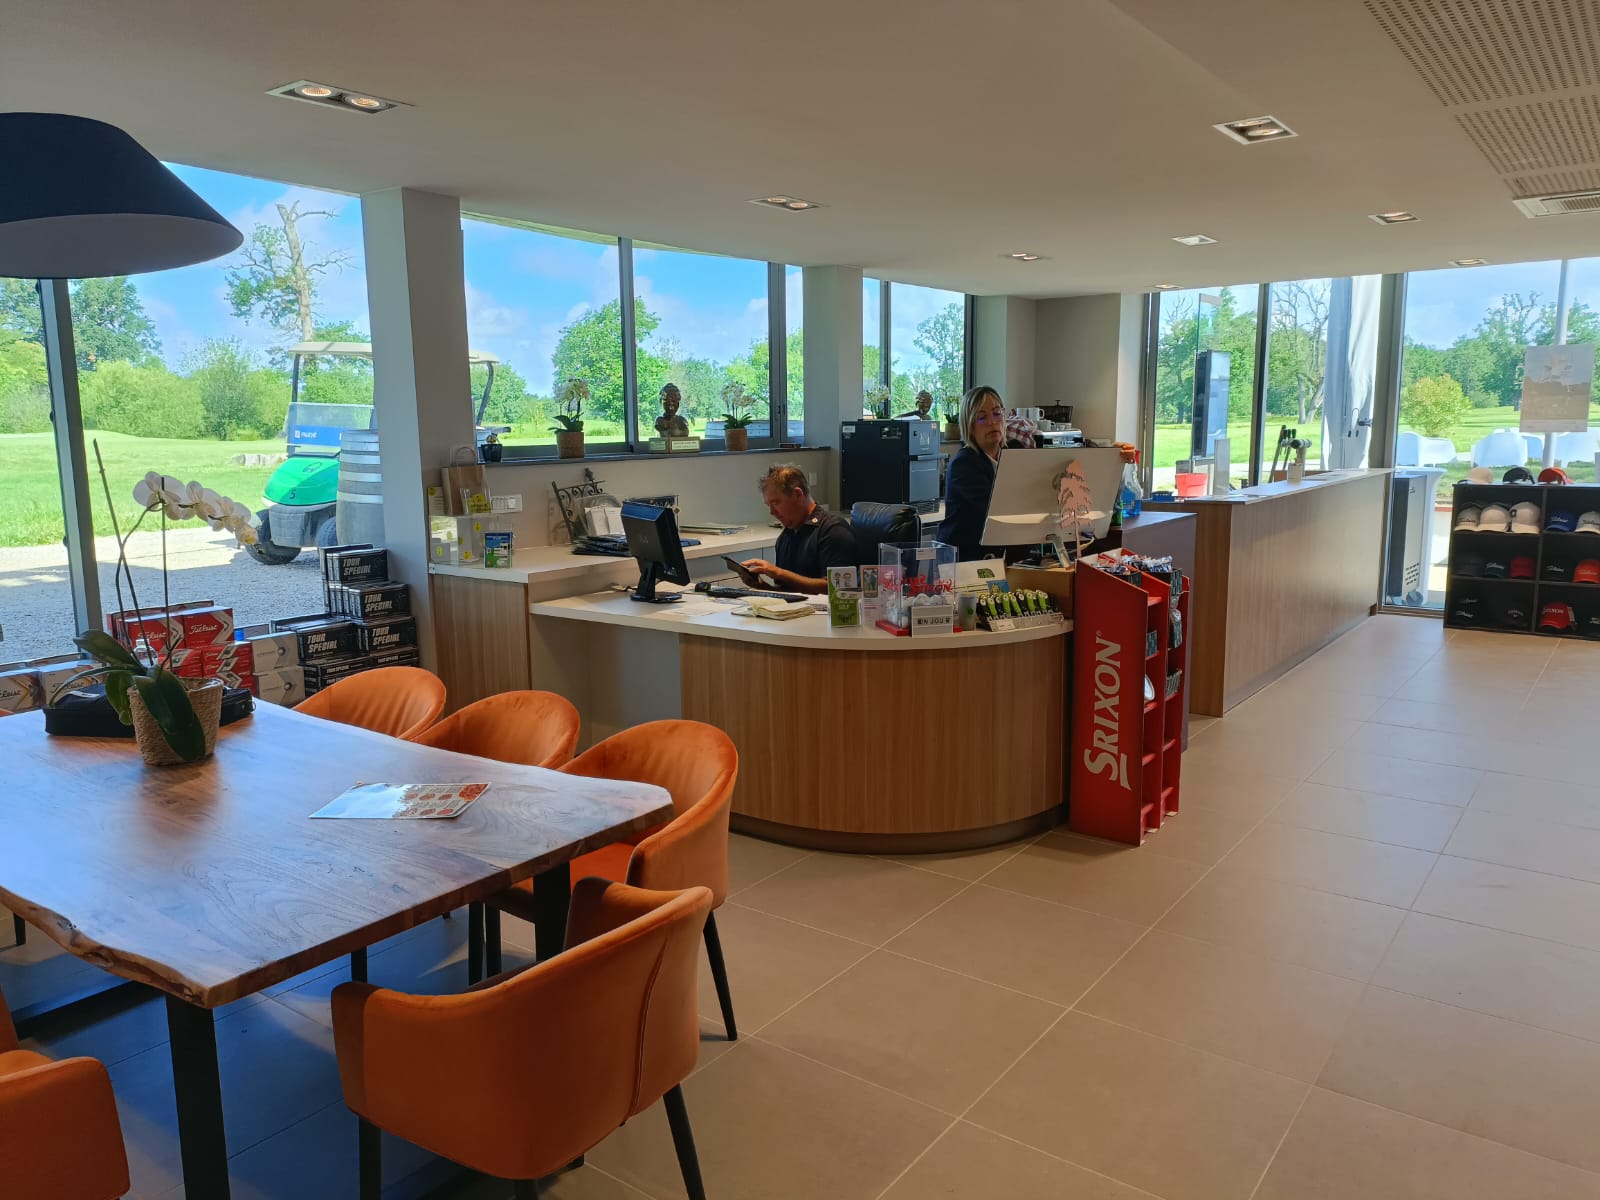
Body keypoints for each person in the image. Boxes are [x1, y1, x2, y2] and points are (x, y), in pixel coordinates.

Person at [738, 464, 858, 594]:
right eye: (769, 505)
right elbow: (788, 591)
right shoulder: (786, 536)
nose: (772, 512)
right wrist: (765, 588)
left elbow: (837, 589)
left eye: (776, 503)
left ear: (798, 494)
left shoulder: (834, 531)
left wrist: (779, 573)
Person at [936, 385, 1007, 561]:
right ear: (969, 426)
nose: (992, 422)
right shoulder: (964, 464)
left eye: (997, 413)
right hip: (963, 560)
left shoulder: (1012, 454)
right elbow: (996, 510)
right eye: (982, 417)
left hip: (999, 555)